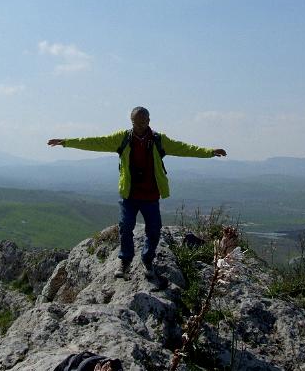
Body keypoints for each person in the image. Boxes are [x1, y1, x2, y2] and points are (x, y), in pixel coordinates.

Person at [47, 106, 227, 285]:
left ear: (149, 121)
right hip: (129, 194)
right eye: (136, 122)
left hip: (150, 195)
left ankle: (147, 259)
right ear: (131, 121)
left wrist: (209, 152)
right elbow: (95, 142)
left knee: (154, 230)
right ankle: (125, 260)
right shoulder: (123, 138)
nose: (139, 125)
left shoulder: (158, 140)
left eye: (143, 122)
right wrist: (66, 142)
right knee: (126, 227)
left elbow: (184, 148)